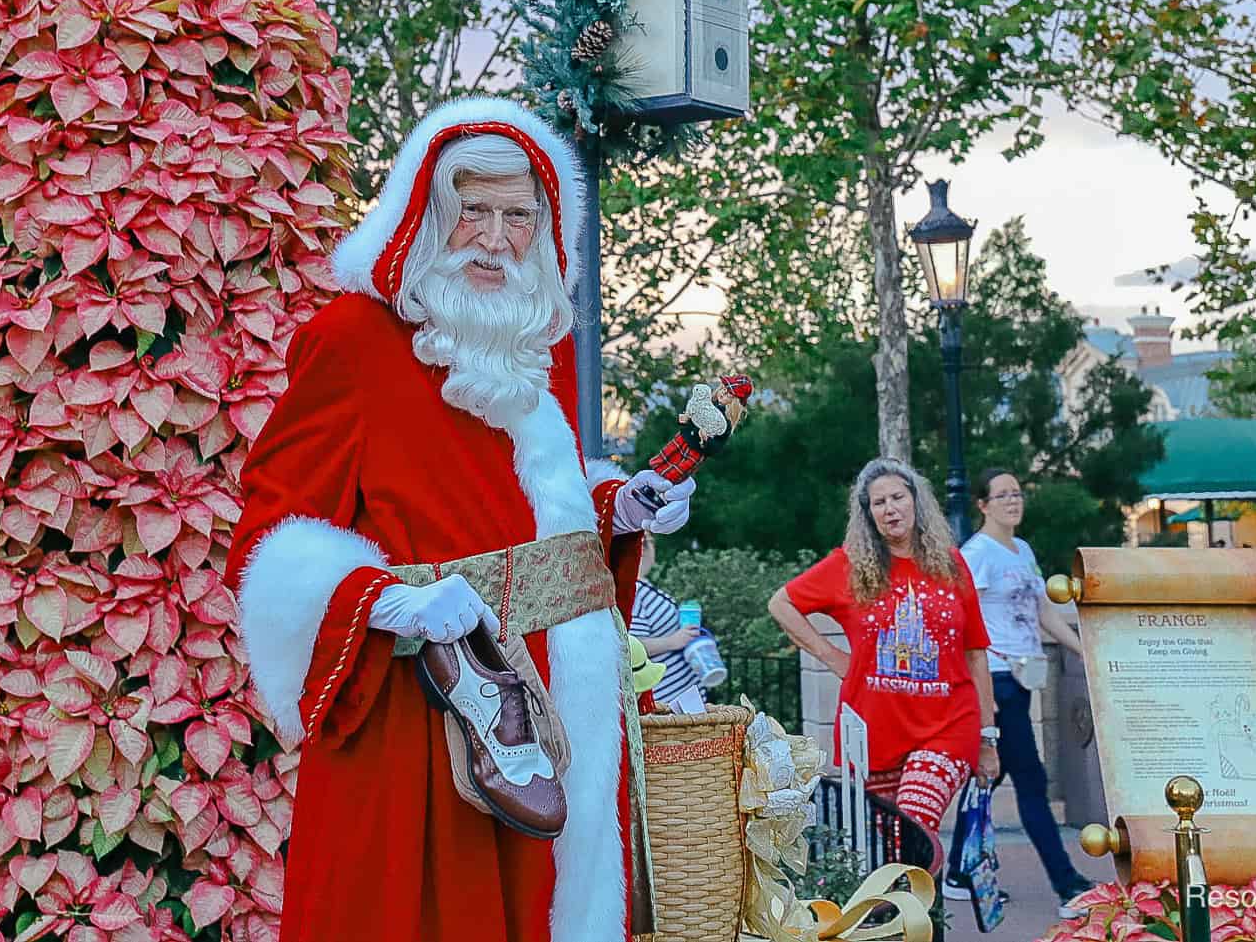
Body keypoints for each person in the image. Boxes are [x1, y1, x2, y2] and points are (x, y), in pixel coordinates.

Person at [228, 96, 697, 942]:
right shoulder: (352, 337)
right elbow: (270, 528)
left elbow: (519, 510)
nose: (494, 235)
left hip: (560, 709)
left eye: (518, 215)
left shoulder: (535, 339)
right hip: (432, 714)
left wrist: (615, 507)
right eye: (470, 208)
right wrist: (385, 598)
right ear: (424, 211)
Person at [768, 458, 996, 876]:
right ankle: (918, 924)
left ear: (915, 502)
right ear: (867, 513)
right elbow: (781, 604)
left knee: (913, 823)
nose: (890, 509)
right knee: (898, 851)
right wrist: (833, 657)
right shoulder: (849, 566)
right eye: (879, 502)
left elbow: (976, 652)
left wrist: (987, 737)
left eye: (898, 497)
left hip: (949, 724)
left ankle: (912, 916)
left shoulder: (951, 564)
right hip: (875, 732)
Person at [961, 470, 1091, 917]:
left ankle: (959, 873)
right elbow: (963, 625)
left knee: (989, 777)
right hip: (996, 679)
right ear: (982, 504)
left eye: (1016, 494)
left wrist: (1084, 651)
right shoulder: (976, 555)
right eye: (1002, 495)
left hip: (1023, 676)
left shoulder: (1024, 551)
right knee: (1032, 782)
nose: (1012, 502)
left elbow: (1044, 614)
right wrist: (983, 697)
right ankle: (1066, 885)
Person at [630, 536, 707, 714]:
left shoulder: (640, 586)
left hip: (678, 696)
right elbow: (632, 645)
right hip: (667, 699)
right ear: (644, 548)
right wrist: (674, 641)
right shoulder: (634, 591)